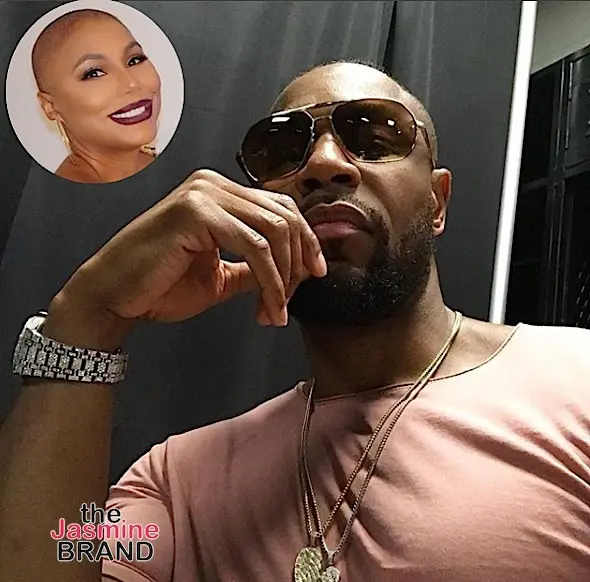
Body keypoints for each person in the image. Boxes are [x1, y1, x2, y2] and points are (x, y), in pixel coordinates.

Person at [1, 61, 589, 582]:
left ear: (437, 202)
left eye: (374, 136)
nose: (323, 164)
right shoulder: (174, 482)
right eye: (283, 149)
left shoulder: (577, 382)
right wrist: (87, 317)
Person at [31, 9, 161, 184]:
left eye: (134, 60)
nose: (131, 83)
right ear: (50, 106)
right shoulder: (68, 198)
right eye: (94, 73)